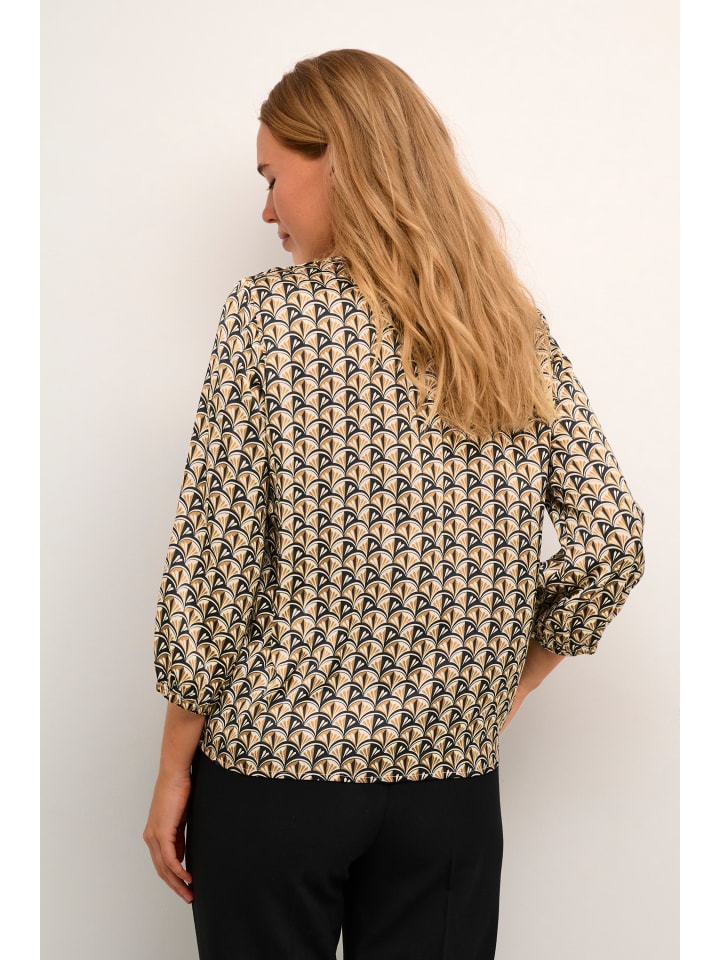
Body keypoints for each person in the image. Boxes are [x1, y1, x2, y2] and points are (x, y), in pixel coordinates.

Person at [143, 49, 644, 960]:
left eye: (272, 177)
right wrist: (501, 687)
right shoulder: (505, 325)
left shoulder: (268, 318)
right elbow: (612, 537)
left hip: (275, 772)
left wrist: (173, 769)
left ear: (337, 158)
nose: (266, 211)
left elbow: (213, 570)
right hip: (448, 793)